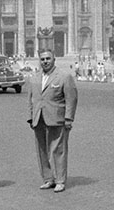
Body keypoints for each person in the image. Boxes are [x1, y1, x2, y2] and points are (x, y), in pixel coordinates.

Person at [27, 49, 78, 193]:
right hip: (39, 118)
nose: (45, 61)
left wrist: (69, 118)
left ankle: (60, 180)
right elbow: (31, 99)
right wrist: (31, 117)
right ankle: (48, 179)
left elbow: (71, 99)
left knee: (58, 150)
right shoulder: (34, 78)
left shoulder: (64, 76)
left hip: (57, 118)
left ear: (54, 59)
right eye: (42, 59)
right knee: (41, 150)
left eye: (48, 59)